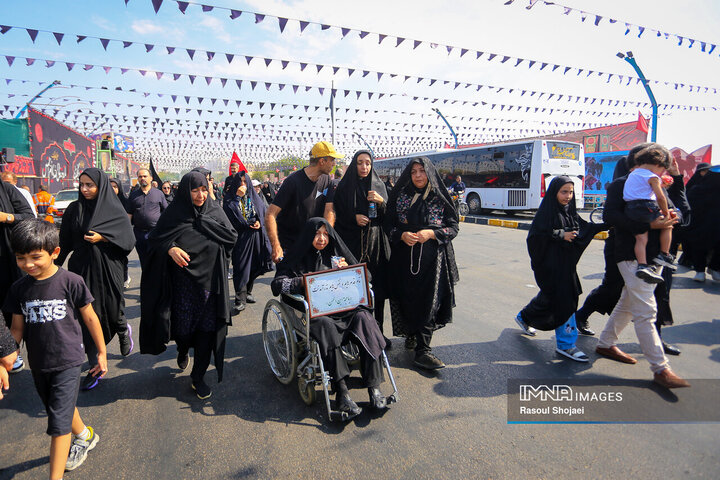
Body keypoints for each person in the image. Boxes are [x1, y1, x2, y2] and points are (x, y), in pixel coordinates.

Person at [4, 219, 107, 478]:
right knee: (58, 407)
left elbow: (91, 318)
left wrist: (102, 352)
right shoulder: (18, 289)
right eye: (20, 258)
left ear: (55, 253)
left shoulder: (70, 281)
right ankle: (85, 435)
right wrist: (5, 362)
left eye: (35, 257)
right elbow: (16, 329)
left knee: (58, 424)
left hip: (69, 360)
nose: (28, 264)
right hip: (39, 363)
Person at [271, 218, 388, 418]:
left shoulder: (336, 254)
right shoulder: (296, 256)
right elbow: (278, 285)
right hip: (318, 313)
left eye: (326, 234)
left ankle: (374, 387)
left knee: (365, 319)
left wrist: (347, 272)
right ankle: (342, 391)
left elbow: (365, 277)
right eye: (317, 234)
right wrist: (303, 282)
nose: (322, 239)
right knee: (326, 326)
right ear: (308, 235)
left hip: (344, 309)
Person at [597, 143, 690, 389]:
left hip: (656, 257)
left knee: (628, 303)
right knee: (647, 311)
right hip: (630, 254)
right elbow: (610, 217)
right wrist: (650, 226)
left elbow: (677, 211)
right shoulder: (620, 185)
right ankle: (661, 369)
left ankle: (606, 343)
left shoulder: (657, 184)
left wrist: (673, 217)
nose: (663, 170)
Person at [140, 171, 237, 400]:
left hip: (209, 286)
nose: (201, 195)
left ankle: (198, 377)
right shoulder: (175, 213)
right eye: (195, 190)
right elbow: (156, 240)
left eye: (204, 189)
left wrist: (207, 226)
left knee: (206, 331)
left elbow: (231, 236)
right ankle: (182, 349)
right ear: (185, 191)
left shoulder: (214, 211)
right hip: (182, 286)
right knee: (183, 331)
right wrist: (170, 248)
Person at [56, 168, 135, 390]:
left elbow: (128, 240)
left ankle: (121, 329)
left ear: (100, 185)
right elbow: (65, 241)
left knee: (111, 310)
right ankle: (95, 366)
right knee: (85, 318)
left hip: (109, 268)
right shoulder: (74, 209)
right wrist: (53, 266)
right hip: (81, 271)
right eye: (81, 185)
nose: (85, 189)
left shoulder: (114, 209)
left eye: (89, 185)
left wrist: (104, 237)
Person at [513, 176, 604, 362]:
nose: (568, 196)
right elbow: (536, 237)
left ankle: (524, 316)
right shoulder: (546, 212)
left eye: (571, 192)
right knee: (565, 299)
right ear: (554, 192)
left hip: (565, 265)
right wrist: (561, 234)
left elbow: (583, 228)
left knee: (550, 297)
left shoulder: (569, 211)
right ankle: (566, 344)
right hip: (549, 265)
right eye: (564, 191)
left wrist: (607, 225)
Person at [384, 157, 459, 370]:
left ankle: (423, 350)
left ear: (429, 173)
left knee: (429, 301)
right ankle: (411, 333)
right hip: (403, 260)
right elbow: (388, 224)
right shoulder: (400, 196)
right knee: (407, 298)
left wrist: (432, 233)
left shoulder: (440, 197)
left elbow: (453, 228)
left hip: (433, 261)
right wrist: (400, 234)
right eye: (414, 171)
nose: (418, 175)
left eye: (422, 171)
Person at [333, 150, 392, 334]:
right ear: (354, 164)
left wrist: (381, 202)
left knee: (378, 292)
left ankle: (378, 332)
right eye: (360, 163)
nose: (364, 167)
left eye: (367, 163)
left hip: (376, 247)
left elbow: (390, 218)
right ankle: (355, 332)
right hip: (352, 246)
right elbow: (338, 215)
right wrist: (354, 217)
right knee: (355, 290)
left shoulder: (379, 186)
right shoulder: (344, 187)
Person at [265, 141, 342, 263]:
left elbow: (329, 210)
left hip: (313, 246)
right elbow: (270, 214)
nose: (335, 164)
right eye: (332, 160)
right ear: (322, 161)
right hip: (291, 247)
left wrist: (325, 234)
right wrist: (276, 246)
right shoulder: (292, 182)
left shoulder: (327, 179)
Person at [622, 147, 676, 283]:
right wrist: (665, 213)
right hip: (647, 206)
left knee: (641, 238)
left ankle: (642, 265)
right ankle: (664, 254)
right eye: (663, 170)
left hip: (631, 209)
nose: (662, 173)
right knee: (668, 224)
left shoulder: (632, 174)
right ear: (658, 164)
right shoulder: (652, 177)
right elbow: (661, 198)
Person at [223, 171, 272, 315]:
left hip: (256, 235)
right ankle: (240, 299)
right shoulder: (231, 199)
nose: (243, 185)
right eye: (240, 182)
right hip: (241, 237)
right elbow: (231, 212)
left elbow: (262, 211)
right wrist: (238, 196)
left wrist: (258, 222)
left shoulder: (254, 196)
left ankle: (248, 292)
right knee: (241, 267)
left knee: (255, 266)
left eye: (245, 182)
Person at [0, 176, 35, 373]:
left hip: (6, 261)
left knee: (10, 306)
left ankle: (11, 349)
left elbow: (28, 216)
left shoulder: (7, 190)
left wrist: (7, 217)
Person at [126, 168, 167, 267]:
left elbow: (166, 212)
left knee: (156, 261)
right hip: (139, 233)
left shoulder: (159, 194)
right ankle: (146, 281)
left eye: (145, 176)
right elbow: (129, 214)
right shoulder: (134, 195)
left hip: (155, 232)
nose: (142, 178)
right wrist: (127, 232)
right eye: (140, 177)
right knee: (144, 261)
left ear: (151, 178)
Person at [685, 165, 720, 282]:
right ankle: (700, 271)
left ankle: (714, 268)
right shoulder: (698, 190)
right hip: (700, 224)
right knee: (699, 246)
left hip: (716, 225)